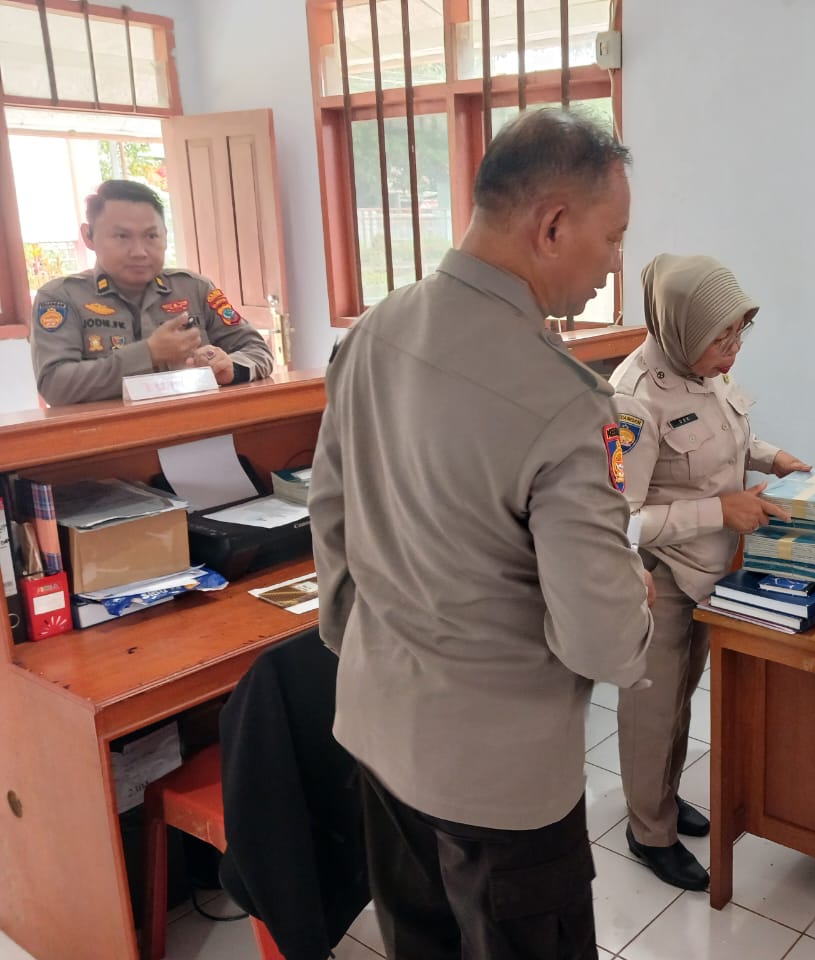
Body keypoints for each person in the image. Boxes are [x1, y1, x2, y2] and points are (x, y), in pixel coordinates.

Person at [310, 109, 653, 960]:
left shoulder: (374, 331)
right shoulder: (567, 405)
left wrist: (365, 652)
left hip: (380, 729)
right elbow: (601, 642)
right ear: (552, 225)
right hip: (499, 785)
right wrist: (634, 598)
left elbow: (331, 517)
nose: (615, 264)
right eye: (613, 239)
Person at [609, 253, 810, 890]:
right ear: (681, 330)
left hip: (708, 573)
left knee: (680, 701)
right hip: (658, 579)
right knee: (651, 711)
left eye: (738, 335)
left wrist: (773, 458)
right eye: (720, 340)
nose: (733, 351)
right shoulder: (631, 402)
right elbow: (618, 521)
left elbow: (723, 436)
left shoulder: (703, 370)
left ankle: (662, 798)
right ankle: (649, 831)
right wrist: (720, 510)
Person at [29, 179, 274, 406]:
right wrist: (148, 354)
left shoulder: (194, 288)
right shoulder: (61, 297)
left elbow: (258, 350)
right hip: (111, 436)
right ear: (88, 236)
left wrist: (231, 368)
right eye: (122, 236)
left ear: (165, 236)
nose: (139, 251)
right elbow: (55, 384)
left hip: (199, 428)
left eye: (151, 236)